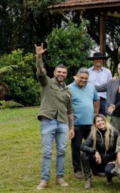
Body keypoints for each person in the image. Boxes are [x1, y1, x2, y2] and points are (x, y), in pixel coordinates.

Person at [34, 43, 74, 190]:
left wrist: (72, 127)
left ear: (66, 74)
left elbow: (70, 110)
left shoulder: (68, 91)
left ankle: (60, 177)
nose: (61, 74)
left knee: (62, 151)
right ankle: (44, 180)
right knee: (46, 152)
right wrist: (39, 56)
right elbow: (40, 71)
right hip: (48, 121)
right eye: (59, 72)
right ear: (54, 72)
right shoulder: (46, 83)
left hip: (63, 123)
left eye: (64, 72)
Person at [68, 68, 100, 179]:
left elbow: (97, 99)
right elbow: (67, 108)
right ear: (76, 76)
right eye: (81, 78)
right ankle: (77, 170)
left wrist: (96, 114)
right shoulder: (69, 89)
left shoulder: (91, 87)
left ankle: (95, 168)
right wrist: (71, 126)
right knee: (76, 147)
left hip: (90, 123)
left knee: (92, 146)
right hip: (76, 124)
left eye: (86, 78)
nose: (83, 80)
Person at [80, 114, 120, 189]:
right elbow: (82, 146)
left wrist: (116, 160)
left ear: (105, 121)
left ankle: (109, 178)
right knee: (84, 154)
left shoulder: (114, 132)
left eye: (102, 120)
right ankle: (88, 179)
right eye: (98, 121)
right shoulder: (93, 133)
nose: (100, 122)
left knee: (108, 170)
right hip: (99, 161)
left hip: (111, 161)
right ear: (95, 124)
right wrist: (94, 151)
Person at [95, 62, 120, 133]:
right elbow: (98, 88)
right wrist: (85, 82)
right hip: (116, 116)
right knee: (114, 138)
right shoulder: (112, 82)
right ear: (118, 70)